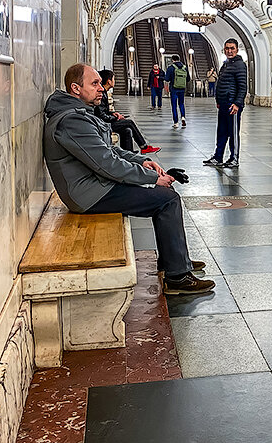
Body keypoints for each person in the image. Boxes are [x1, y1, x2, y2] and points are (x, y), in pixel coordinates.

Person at [43, 64, 214, 295]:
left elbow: (109, 151)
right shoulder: (72, 121)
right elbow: (108, 164)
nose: (101, 88)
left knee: (164, 199)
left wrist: (140, 161)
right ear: (75, 88)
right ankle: (177, 277)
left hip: (92, 186)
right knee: (167, 200)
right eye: (94, 84)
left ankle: (175, 261)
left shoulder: (77, 113)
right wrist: (153, 178)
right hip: (89, 195)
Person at [203, 39, 247, 168]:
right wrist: (218, 101)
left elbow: (243, 86)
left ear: (237, 50)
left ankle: (234, 158)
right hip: (223, 104)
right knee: (221, 132)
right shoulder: (226, 64)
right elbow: (221, 83)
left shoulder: (239, 65)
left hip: (232, 105)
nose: (229, 51)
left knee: (233, 133)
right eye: (227, 48)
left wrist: (237, 103)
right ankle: (218, 157)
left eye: (232, 48)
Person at [95, 70, 160, 154]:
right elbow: (101, 116)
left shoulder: (104, 93)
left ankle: (128, 154)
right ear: (109, 81)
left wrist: (113, 113)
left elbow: (103, 111)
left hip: (104, 122)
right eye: (114, 79)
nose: (115, 81)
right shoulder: (100, 94)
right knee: (129, 122)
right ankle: (144, 146)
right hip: (102, 124)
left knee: (127, 130)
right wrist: (116, 117)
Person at [166, 54, 189, 128]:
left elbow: (167, 79)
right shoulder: (185, 67)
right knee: (181, 104)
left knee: (174, 106)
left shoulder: (171, 68)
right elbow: (188, 79)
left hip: (174, 89)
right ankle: (183, 117)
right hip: (182, 88)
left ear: (172, 60)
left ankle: (176, 122)